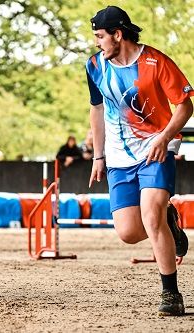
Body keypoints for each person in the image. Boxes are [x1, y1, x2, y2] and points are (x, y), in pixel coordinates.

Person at [86, 6, 193, 316]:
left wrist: (164, 137)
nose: (97, 43)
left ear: (118, 35)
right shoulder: (94, 66)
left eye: (100, 36)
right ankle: (170, 222)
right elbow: (96, 109)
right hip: (119, 158)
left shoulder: (156, 62)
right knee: (129, 232)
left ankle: (171, 293)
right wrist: (99, 154)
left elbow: (185, 106)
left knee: (150, 215)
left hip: (155, 150)